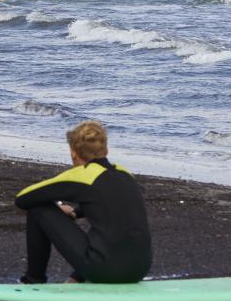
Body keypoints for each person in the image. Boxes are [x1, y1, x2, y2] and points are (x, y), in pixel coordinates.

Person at [15, 121, 152, 284]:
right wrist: (74, 212)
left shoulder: (83, 175)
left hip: (105, 270)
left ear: (73, 153)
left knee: (38, 209)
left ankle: (33, 280)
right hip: (139, 269)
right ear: (106, 150)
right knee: (113, 230)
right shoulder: (125, 173)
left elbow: (23, 198)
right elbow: (108, 204)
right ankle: (76, 278)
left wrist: (58, 207)